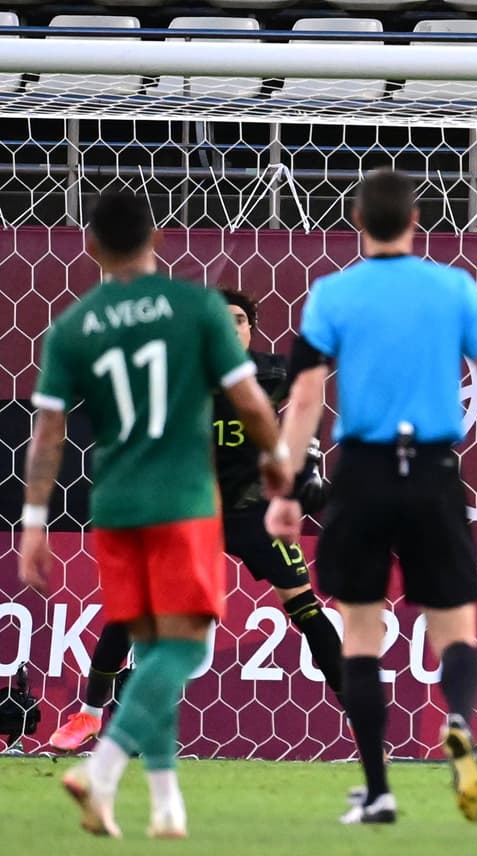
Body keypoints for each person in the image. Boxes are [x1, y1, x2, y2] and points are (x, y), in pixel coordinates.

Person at [264, 168, 477, 825]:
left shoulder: (333, 294)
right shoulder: (454, 288)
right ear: (416, 222)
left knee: (362, 634)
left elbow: (304, 399)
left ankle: (378, 791)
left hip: (362, 474)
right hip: (434, 471)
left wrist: (286, 488)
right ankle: (458, 721)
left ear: (358, 222)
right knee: (455, 627)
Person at [17, 190, 291, 838]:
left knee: (146, 647)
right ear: (158, 239)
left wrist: (33, 519)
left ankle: (167, 806)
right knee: (184, 649)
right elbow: (250, 400)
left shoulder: (74, 327)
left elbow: (48, 432)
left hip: (115, 502)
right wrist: (280, 461)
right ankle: (103, 766)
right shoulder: (195, 309)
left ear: (91, 247)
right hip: (183, 497)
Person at [47, 288, 344, 753]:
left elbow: (311, 389)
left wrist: (311, 459)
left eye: (239, 320)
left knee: (305, 607)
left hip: (253, 513)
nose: (230, 327)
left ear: (251, 330)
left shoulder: (270, 374)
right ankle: (88, 714)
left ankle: (363, 721)